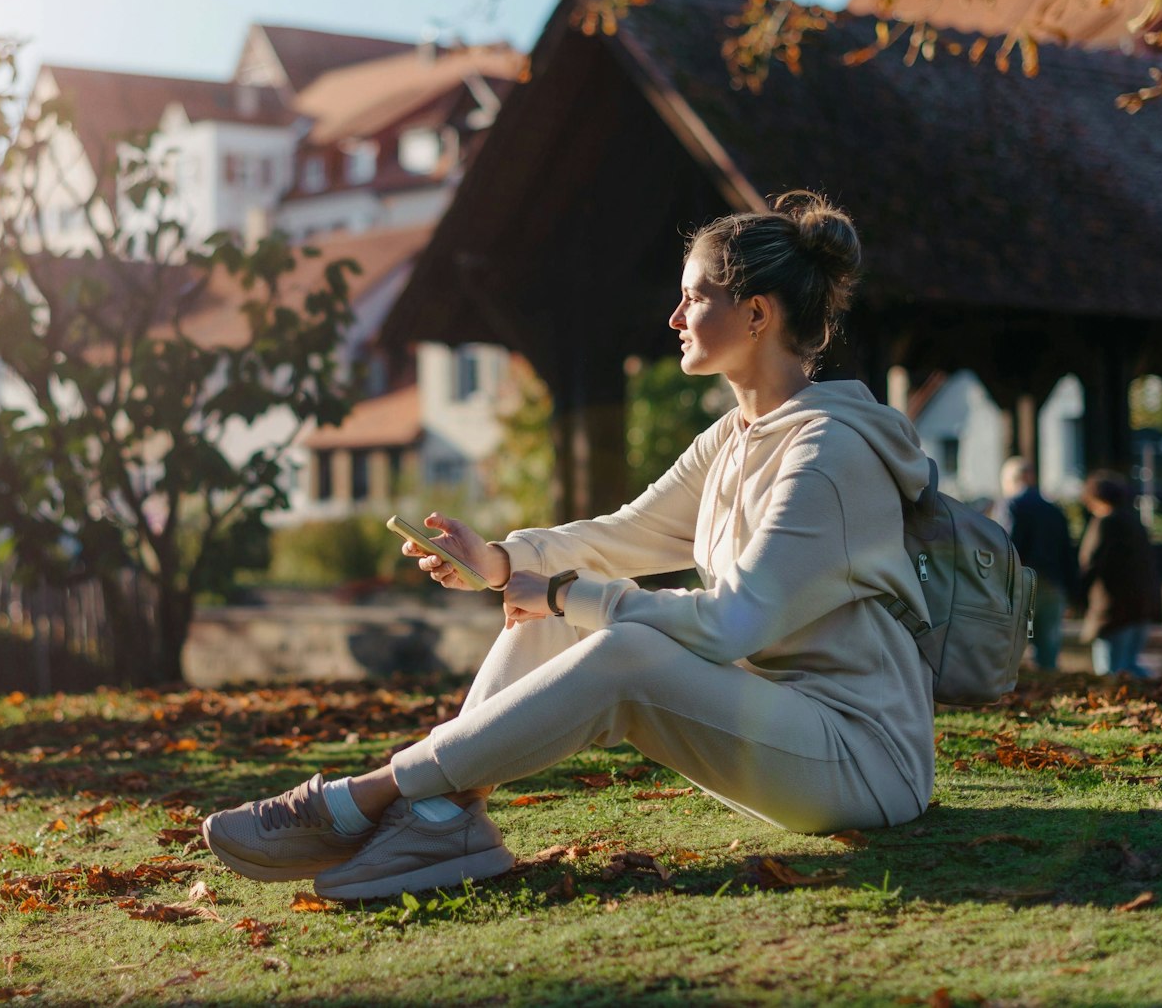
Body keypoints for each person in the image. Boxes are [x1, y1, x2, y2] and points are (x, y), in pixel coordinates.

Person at [201, 191, 938, 901]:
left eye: (695, 297)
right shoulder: (735, 438)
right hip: (777, 728)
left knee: (615, 641)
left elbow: (732, 623)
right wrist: (502, 563)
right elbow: (623, 535)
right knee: (565, 608)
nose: (675, 315)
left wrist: (563, 592)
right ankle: (440, 816)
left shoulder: (828, 453)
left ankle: (368, 796)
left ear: (754, 314)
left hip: (862, 760)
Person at [1076, 470, 1162, 677]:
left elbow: (1090, 563)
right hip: (1140, 606)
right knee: (1130, 666)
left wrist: (1076, 597)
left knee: (1109, 671)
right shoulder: (1135, 522)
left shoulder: (1105, 523)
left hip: (1112, 610)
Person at [998, 457, 1075, 672]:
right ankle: (1051, 696)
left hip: (1021, 584)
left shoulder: (1011, 505)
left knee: (1010, 652)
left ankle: (1010, 697)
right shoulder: (1054, 509)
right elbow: (1067, 552)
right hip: (1052, 584)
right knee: (1048, 653)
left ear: (1012, 480)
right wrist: (1071, 590)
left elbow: (1006, 546)